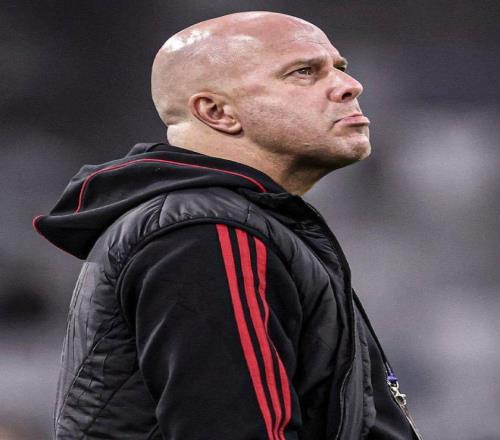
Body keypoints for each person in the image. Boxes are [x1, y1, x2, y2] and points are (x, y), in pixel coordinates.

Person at [34, 11, 422, 440]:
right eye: (303, 72)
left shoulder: (226, 221)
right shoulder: (208, 230)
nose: (350, 86)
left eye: (339, 68)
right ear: (217, 112)